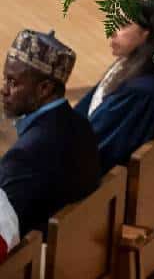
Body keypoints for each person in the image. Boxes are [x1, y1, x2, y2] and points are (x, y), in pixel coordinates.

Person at [0, 30, 100, 262]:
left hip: (32, 270)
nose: (4, 89)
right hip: (79, 253)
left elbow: (6, 229)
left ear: (44, 89)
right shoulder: (80, 126)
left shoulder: (26, 155)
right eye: (5, 79)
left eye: (13, 83)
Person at [74, 2, 154, 175]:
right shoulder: (138, 67)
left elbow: (90, 150)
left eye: (123, 24)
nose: (111, 31)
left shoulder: (140, 93)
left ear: (147, 34)